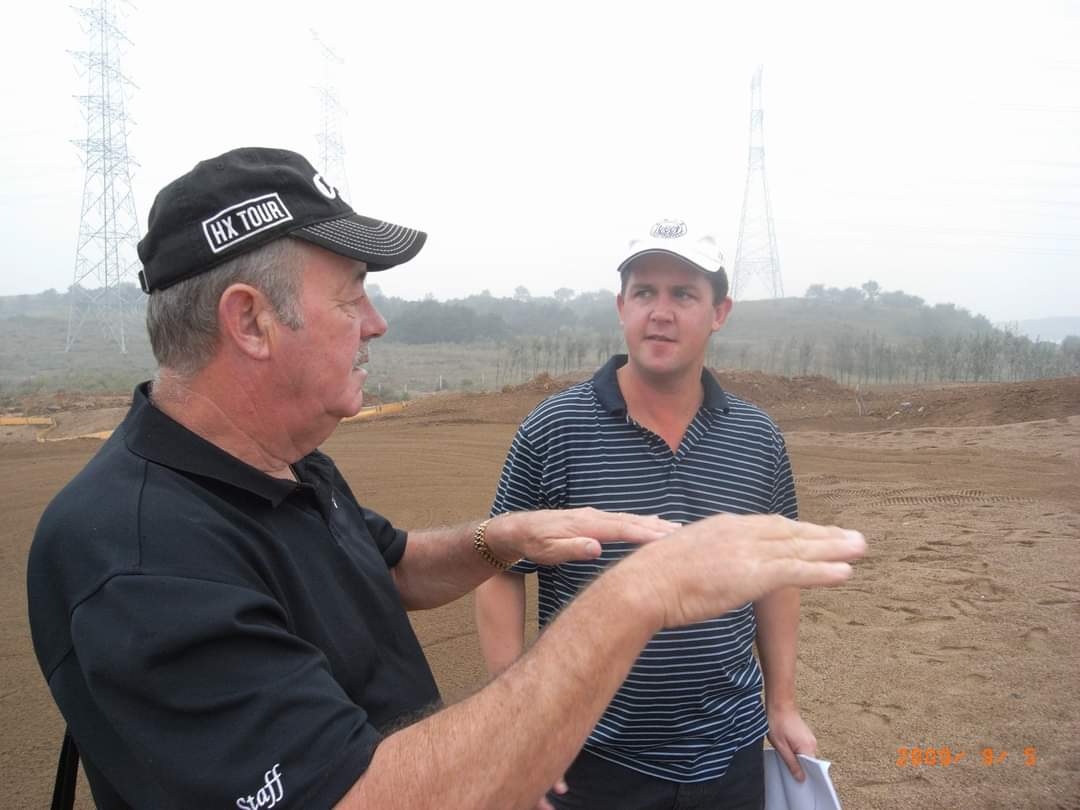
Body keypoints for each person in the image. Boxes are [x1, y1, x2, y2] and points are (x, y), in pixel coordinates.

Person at [27, 150, 864, 810]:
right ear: (249, 321)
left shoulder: (286, 467)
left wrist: (495, 541)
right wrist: (634, 598)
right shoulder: (137, 559)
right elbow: (351, 797)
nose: (377, 323)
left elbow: (383, 568)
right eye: (352, 297)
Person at [476, 219, 812, 809]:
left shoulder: (757, 438)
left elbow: (776, 577)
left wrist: (781, 705)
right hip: (588, 754)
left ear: (719, 312)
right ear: (621, 307)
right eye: (645, 293)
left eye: (683, 294)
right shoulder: (554, 430)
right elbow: (502, 570)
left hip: (729, 754)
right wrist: (515, 722)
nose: (661, 311)